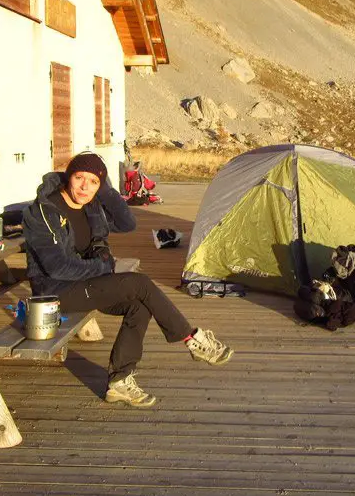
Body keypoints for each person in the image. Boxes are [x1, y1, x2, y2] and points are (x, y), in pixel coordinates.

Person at [22, 152, 234, 408]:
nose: (84, 187)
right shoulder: (43, 211)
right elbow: (56, 267)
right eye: (79, 178)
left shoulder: (91, 206)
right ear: (69, 176)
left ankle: (119, 381)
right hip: (53, 294)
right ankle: (191, 338)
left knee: (139, 304)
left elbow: (127, 222)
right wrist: (101, 267)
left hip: (86, 284)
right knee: (139, 283)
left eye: (93, 182)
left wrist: (106, 191)